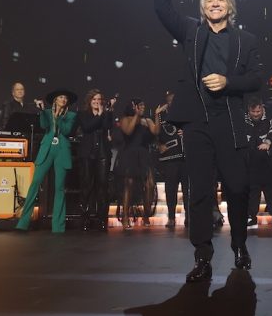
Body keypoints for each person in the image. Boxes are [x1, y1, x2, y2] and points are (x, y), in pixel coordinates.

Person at [154, 0, 262, 283]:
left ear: (230, 7)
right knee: (198, 191)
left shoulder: (246, 41)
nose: (214, 3)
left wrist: (229, 82)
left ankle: (240, 245)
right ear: (203, 9)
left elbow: (256, 80)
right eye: (209, 0)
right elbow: (162, 9)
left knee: (238, 186)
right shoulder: (190, 31)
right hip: (197, 121)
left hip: (229, 121)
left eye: (221, 0)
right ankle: (202, 256)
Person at [16, 89, 77, 233]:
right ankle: (23, 223)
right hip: (47, 149)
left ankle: (58, 227)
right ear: (55, 99)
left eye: (65, 98)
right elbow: (43, 125)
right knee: (35, 183)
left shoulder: (71, 115)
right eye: (61, 97)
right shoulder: (47, 113)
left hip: (62, 151)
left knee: (59, 188)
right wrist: (44, 112)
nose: (63, 99)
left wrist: (59, 117)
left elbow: (67, 131)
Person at [113, 99, 159, 229]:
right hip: (129, 154)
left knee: (149, 184)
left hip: (144, 154)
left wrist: (156, 115)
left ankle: (146, 216)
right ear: (133, 107)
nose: (143, 107)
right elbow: (128, 131)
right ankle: (126, 216)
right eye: (140, 105)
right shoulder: (125, 119)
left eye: (144, 105)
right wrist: (136, 116)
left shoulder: (147, 120)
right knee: (129, 185)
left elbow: (156, 131)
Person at [75, 89, 114, 231]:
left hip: (103, 153)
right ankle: (84, 219)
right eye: (94, 100)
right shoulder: (83, 114)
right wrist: (100, 115)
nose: (97, 102)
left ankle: (102, 219)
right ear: (89, 101)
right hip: (87, 153)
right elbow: (87, 127)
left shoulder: (107, 114)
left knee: (103, 186)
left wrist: (105, 113)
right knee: (86, 185)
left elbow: (107, 126)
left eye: (99, 100)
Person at [245, 97, 272, 229]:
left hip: (268, 161)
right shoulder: (243, 118)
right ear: (249, 110)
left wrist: (268, 142)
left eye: (258, 111)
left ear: (262, 108)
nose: (256, 114)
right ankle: (251, 217)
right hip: (250, 162)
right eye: (253, 112)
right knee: (252, 191)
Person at [156, 91, 189, 228]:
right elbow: (155, 134)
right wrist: (159, 145)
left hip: (186, 157)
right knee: (170, 190)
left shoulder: (187, 114)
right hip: (170, 159)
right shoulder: (161, 116)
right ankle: (171, 217)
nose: (173, 103)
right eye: (170, 101)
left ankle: (189, 217)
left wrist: (188, 132)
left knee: (188, 189)